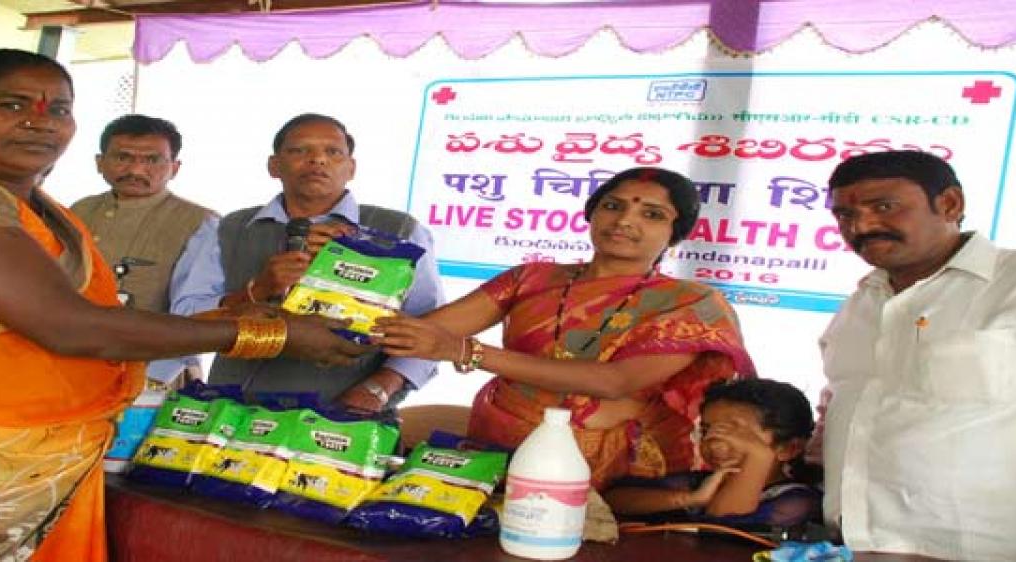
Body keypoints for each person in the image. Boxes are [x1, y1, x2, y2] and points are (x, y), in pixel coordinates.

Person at [0, 48, 364, 562]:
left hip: (36, 465)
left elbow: (100, 323)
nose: (40, 121)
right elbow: (68, 327)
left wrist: (243, 317)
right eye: (12, 105)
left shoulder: (53, 214)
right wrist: (271, 334)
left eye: (59, 109)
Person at [377, 167, 756, 488]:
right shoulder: (533, 278)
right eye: (612, 206)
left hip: (619, 476)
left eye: (652, 215)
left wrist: (467, 352)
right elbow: (418, 333)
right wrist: (343, 280)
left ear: (676, 235)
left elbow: (615, 381)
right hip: (498, 449)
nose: (625, 221)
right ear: (591, 215)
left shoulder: (693, 304)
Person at [815, 150, 1016, 561]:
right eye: (844, 215)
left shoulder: (1010, 286)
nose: (861, 226)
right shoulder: (860, 304)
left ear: (949, 204)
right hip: (855, 546)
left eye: (884, 207)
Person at [174, 113, 445, 413]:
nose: (317, 160)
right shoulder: (229, 228)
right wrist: (259, 289)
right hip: (229, 410)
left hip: (344, 417)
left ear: (351, 168)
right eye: (299, 150)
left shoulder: (399, 230)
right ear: (274, 166)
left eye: (333, 152)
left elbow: (432, 328)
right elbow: (185, 320)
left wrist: (378, 390)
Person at [71, 114, 215, 385]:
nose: (136, 170)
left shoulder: (200, 223)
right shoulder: (78, 210)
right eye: (123, 157)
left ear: (175, 167)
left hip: (151, 375)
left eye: (152, 160)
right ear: (100, 163)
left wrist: (152, 380)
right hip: (72, 363)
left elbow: (195, 315)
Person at [606, 378, 820, 527]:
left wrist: (758, 456)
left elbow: (724, 525)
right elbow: (614, 499)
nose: (715, 443)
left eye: (737, 433)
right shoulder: (703, 483)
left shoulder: (798, 501)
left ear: (788, 448)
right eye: (708, 430)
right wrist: (689, 499)